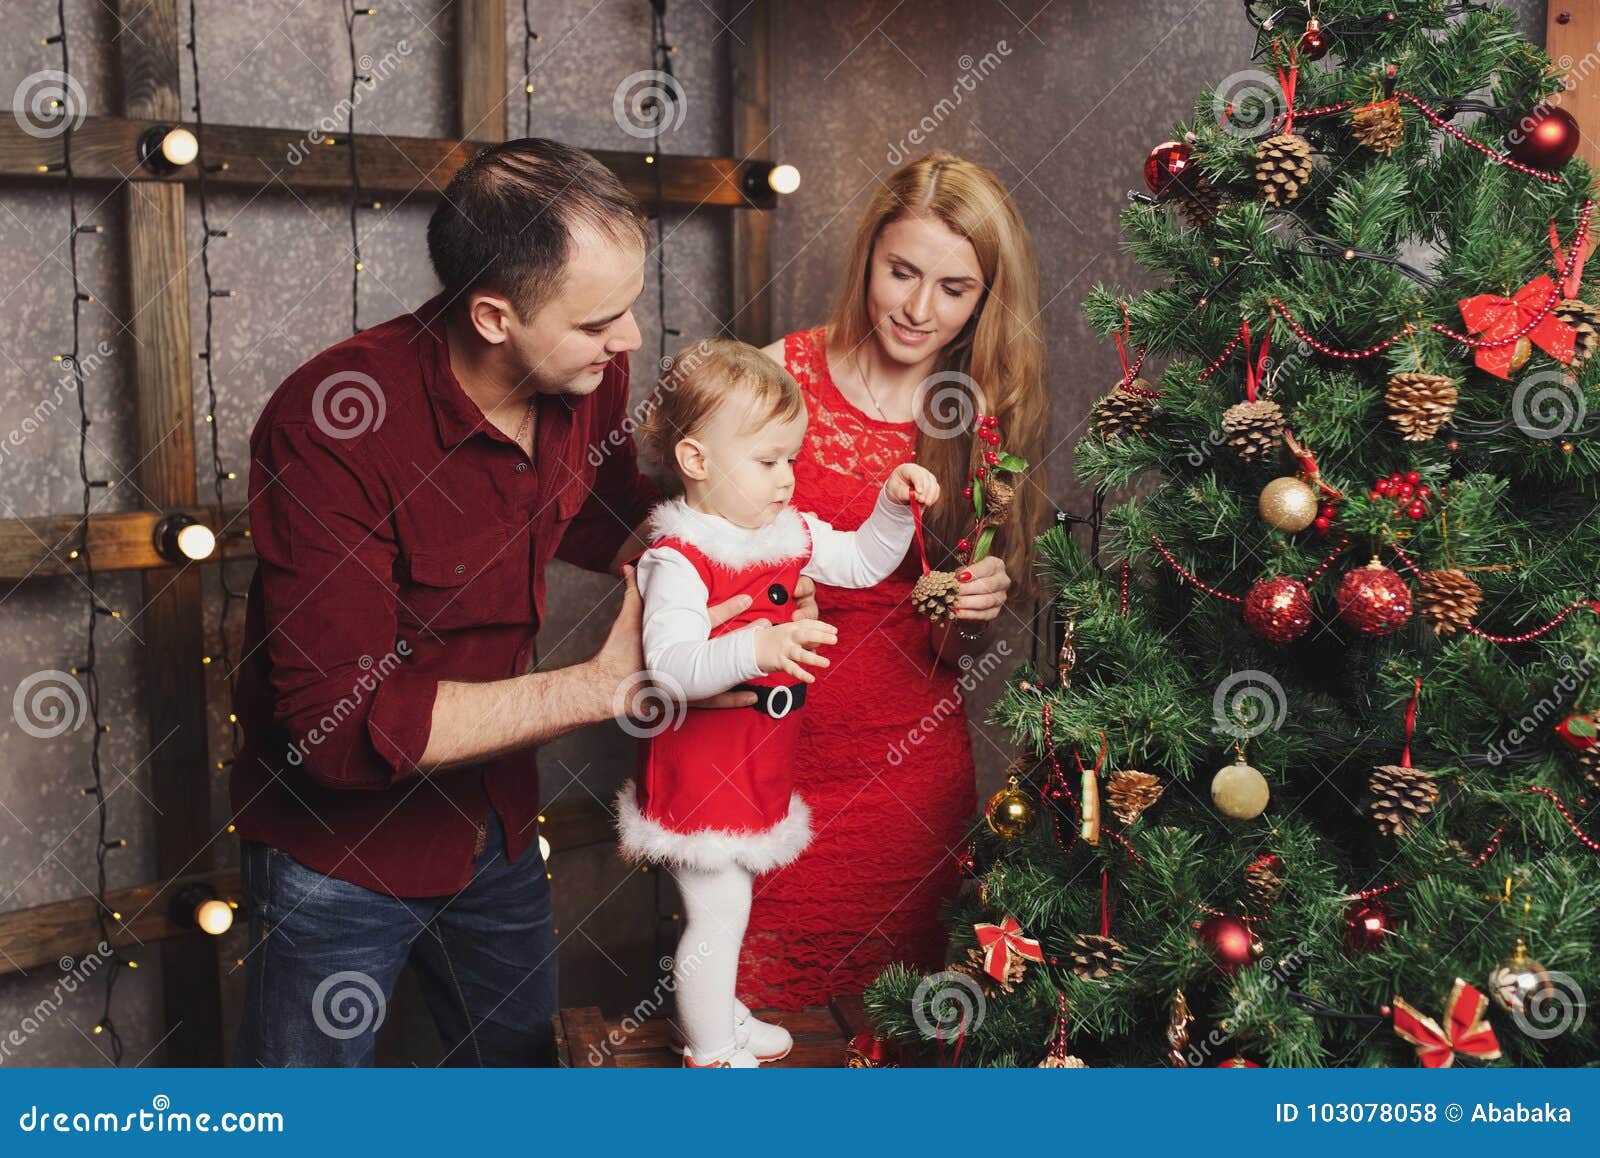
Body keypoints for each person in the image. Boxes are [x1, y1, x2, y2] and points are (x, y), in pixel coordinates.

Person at [229, 139, 778, 1066]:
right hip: (339, 859)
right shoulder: (331, 421)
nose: (631, 341)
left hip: (496, 825)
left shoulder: (586, 376)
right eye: (600, 320)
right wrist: (608, 685)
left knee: (526, 1083)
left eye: (630, 308)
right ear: (492, 315)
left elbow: (602, 522)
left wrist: (730, 564)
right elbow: (337, 723)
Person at [742, 152, 1049, 1008]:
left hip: (907, 781)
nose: (919, 309)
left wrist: (980, 602)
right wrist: (764, 587)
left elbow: (963, 643)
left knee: (907, 1032)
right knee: (756, 1032)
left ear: (986, 297)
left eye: (954, 288)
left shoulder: (983, 407)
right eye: (901, 272)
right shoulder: (774, 379)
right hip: (768, 755)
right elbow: (682, 563)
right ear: (866, 257)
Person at [618, 339, 939, 1066]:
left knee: (732, 906)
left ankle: (719, 1014)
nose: (788, 479)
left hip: (755, 765)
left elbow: (859, 561)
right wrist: (754, 650)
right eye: (767, 461)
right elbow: (668, 667)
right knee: (717, 911)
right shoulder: (680, 557)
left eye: (791, 458)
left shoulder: (783, 533)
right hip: (701, 773)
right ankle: (710, 1053)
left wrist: (890, 506)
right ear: (697, 461)